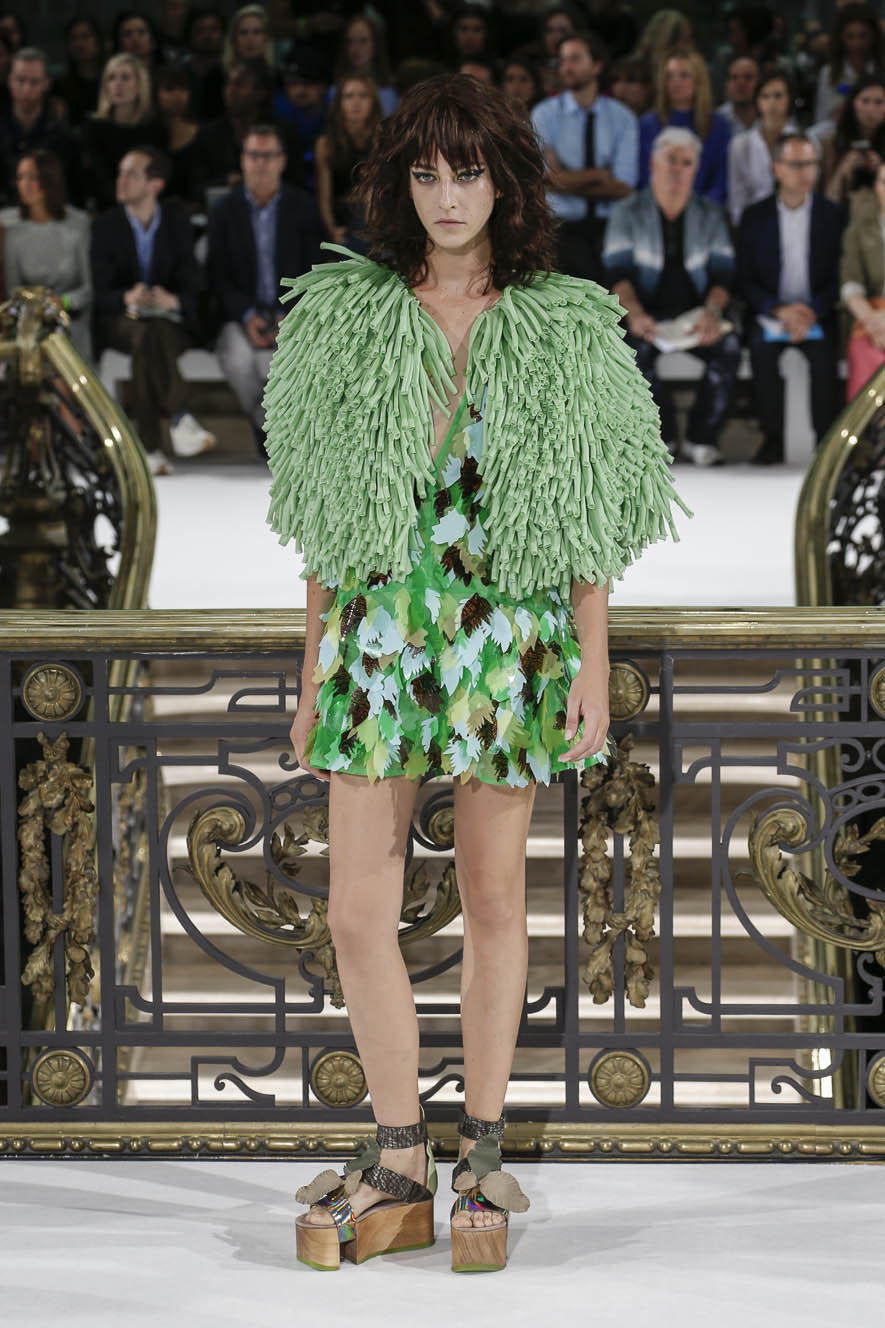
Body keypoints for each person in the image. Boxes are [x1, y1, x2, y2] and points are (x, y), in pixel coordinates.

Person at [263, 72, 689, 1274]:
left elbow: (587, 515)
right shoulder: (352, 317)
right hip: (377, 633)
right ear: (400, 183)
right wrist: (312, 665)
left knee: (496, 899)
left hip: (506, 633)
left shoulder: (559, 322)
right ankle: (401, 1153)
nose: (446, 196)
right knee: (356, 909)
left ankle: (484, 1152)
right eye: (425, 173)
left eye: (467, 172)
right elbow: (325, 515)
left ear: (504, 181)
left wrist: (591, 661)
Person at [603, 126, 739, 468]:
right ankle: (659, 437)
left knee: (729, 348)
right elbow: (617, 274)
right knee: (630, 347)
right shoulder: (626, 211)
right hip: (645, 313)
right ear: (653, 164)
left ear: (696, 169)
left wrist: (711, 312)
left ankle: (701, 438)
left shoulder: (710, 213)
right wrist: (635, 314)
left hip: (695, 314)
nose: (678, 169)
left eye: (687, 163)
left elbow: (724, 274)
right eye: (671, 160)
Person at [90, 145, 212, 475]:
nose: (121, 180)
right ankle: (180, 417)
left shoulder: (177, 223)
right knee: (144, 334)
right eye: (120, 173)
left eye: (131, 174)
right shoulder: (105, 226)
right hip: (120, 320)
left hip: (165, 322)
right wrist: (126, 297)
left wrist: (173, 300)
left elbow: (194, 286)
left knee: (150, 337)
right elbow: (99, 292)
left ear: (155, 184)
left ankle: (149, 449)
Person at [208, 123, 321, 444]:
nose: (260, 163)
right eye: (253, 155)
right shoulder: (224, 210)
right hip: (241, 315)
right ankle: (266, 426)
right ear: (242, 160)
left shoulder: (303, 207)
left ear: (281, 161)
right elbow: (217, 277)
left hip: (295, 313)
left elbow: (316, 270)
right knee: (238, 358)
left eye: (267, 156)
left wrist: (289, 314)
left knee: (303, 358)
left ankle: (290, 434)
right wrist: (246, 315)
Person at [737, 133, 844, 465]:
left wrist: (811, 311)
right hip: (771, 312)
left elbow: (839, 277)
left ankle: (825, 442)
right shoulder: (755, 217)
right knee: (761, 350)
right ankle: (773, 438)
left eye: (811, 164)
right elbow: (744, 279)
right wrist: (779, 310)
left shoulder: (832, 215)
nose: (805, 172)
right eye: (796, 164)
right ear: (777, 169)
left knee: (824, 357)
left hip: (817, 312)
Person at [531, 30, 638, 282]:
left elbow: (624, 187)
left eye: (575, 59)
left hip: (612, 226)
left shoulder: (622, 117)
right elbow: (546, 179)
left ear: (597, 66)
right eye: (563, 61)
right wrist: (599, 175)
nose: (566, 67)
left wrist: (567, 180)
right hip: (560, 227)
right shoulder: (544, 114)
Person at [3, 148, 92, 358]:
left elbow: (88, 289)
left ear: (49, 180)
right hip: (30, 321)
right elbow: (13, 291)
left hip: (71, 316)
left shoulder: (78, 224)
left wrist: (63, 302)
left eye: (32, 177)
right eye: (20, 177)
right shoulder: (14, 232)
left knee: (65, 339)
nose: (24, 184)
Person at [191, 60, 304, 206]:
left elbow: (297, 186)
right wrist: (226, 181)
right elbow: (195, 189)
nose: (231, 91)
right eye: (228, 84)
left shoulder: (283, 133)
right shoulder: (208, 134)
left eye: (239, 85)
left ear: (260, 92)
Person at [638, 47, 732, 204]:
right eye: (669, 76)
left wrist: (700, 211)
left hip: (705, 211)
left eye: (684, 75)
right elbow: (645, 176)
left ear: (698, 81)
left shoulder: (718, 125)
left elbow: (721, 179)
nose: (675, 82)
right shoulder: (648, 123)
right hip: (656, 208)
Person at [81, 53, 163, 212]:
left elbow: (157, 175)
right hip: (107, 209)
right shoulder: (93, 129)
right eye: (111, 78)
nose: (117, 84)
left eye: (125, 78)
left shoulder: (155, 129)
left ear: (140, 86)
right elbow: (97, 178)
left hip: (146, 208)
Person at [0, 47, 78, 207]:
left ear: (46, 84)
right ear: (9, 81)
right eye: (20, 80)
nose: (26, 89)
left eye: (34, 82)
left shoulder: (63, 138)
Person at [314, 74, 381, 249]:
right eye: (349, 96)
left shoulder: (383, 140)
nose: (356, 102)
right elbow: (324, 196)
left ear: (373, 102)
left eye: (363, 96)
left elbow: (379, 188)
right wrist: (331, 230)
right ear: (339, 103)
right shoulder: (325, 144)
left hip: (377, 216)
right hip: (343, 218)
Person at [727, 71, 797, 227]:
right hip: (753, 225)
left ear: (789, 99)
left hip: (795, 222)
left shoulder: (805, 142)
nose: (771, 102)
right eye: (765, 96)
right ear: (757, 101)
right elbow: (737, 197)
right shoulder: (740, 144)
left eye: (778, 96)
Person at [839, 159, 885, 398]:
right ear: (876, 186)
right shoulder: (859, 229)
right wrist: (874, 322)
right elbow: (851, 284)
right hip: (871, 320)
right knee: (864, 353)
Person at [819, 75, 885, 211]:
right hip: (840, 216)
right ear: (853, 103)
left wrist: (881, 171)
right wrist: (842, 172)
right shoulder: (829, 144)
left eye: (879, 102)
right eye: (865, 101)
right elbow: (825, 203)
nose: (871, 109)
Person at [814, 3, 883, 129]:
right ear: (840, 38)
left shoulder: (882, 70)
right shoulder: (828, 74)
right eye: (850, 36)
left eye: (863, 35)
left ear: (874, 35)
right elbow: (822, 120)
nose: (857, 44)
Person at [330, 13, 398, 118]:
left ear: (376, 45)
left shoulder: (389, 94)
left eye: (363, 41)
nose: (355, 48)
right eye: (350, 41)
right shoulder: (334, 91)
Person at [155, 64, 202, 209]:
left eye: (183, 89)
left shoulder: (202, 134)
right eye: (169, 89)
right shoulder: (148, 135)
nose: (178, 95)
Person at [52, 14, 105, 129]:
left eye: (85, 36)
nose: (79, 44)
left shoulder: (112, 81)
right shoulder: (60, 86)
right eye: (73, 38)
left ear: (98, 41)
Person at [183, 5, 226, 123]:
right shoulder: (180, 74)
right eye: (200, 30)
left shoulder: (231, 75)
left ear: (223, 34)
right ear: (190, 35)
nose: (207, 36)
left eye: (213, 29)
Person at [223, 4, 274, 75]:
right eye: (243, 32)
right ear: (234, 39)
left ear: (266, 39)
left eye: (256, 32)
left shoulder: (277, 77)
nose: (250, 38)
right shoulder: (219, 75)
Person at [717, 54, 760, 135]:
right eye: (734, 77)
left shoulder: (771, 116)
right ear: (727, 84)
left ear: (760, 82)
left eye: (748, 77)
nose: (740, 83)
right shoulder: (716, 121)